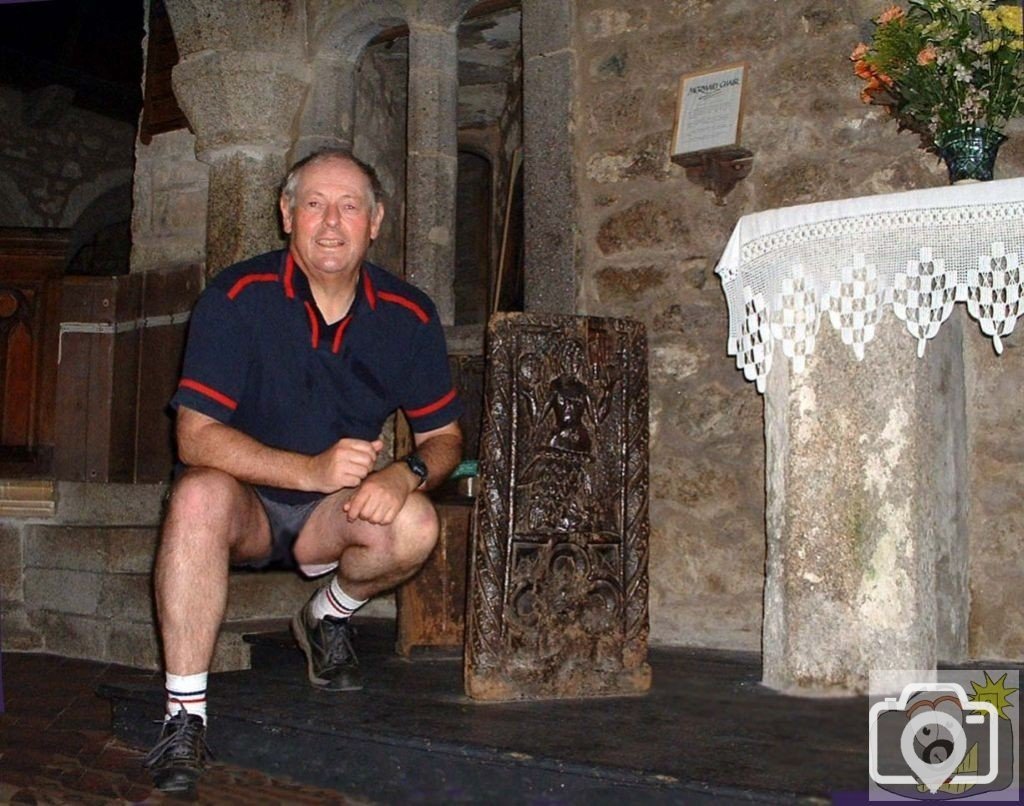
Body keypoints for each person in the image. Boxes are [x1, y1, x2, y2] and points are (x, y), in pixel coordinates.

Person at [143, 148, 463, 798]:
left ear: (376, 221)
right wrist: (309, 469)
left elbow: (445, 438)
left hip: (329, 517)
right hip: (246, 508)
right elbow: (194, 436)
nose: (330, 222)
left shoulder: (409, 314)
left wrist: (407, 473)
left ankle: (326, 616)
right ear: (286, 214)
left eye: (349, 206)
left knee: (416, 522)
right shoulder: (236, 297)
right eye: (313, 203)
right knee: (196, 494)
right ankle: (185, 717)